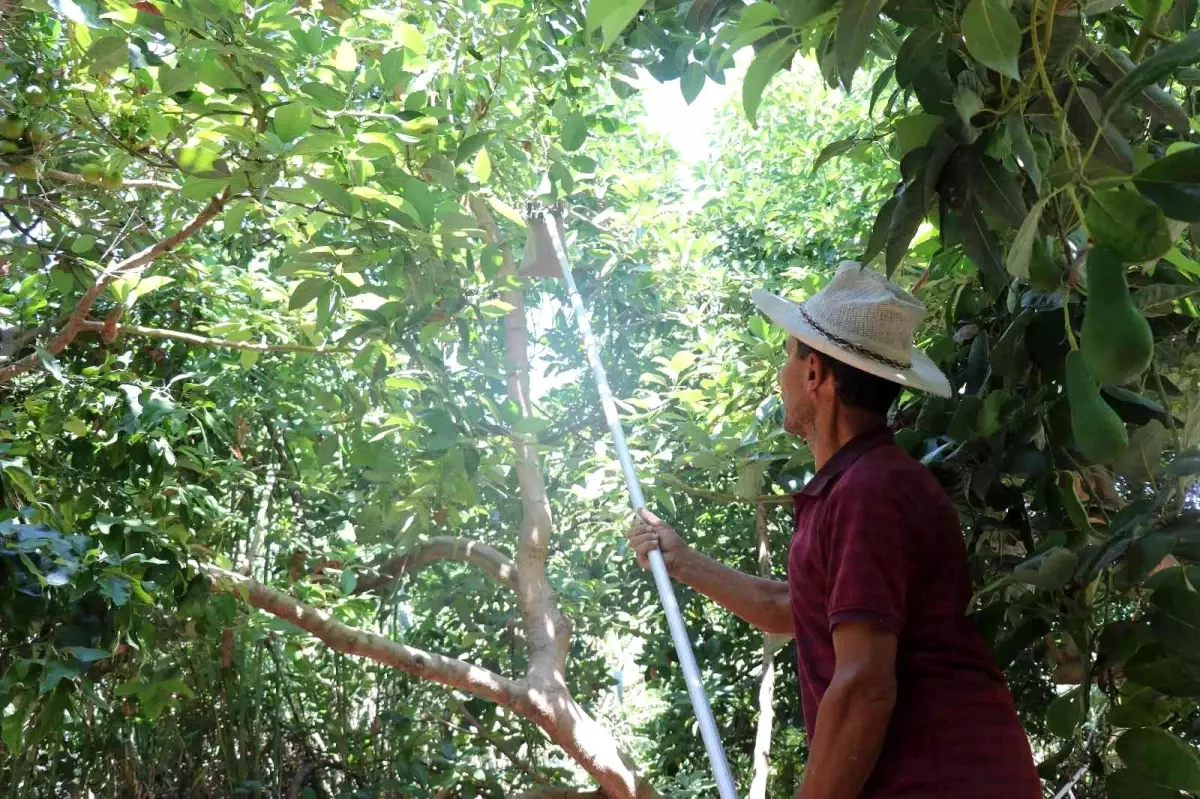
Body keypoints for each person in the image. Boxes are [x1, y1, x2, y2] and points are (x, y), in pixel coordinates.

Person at [628, 262, 1041, 799]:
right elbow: (793, 606)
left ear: (814, 374)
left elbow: (864, 686)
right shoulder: (861, 483)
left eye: (787, 356)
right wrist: (682, 560)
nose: (780, 375)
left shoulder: (869, 490)